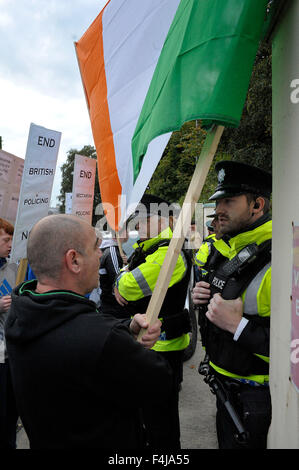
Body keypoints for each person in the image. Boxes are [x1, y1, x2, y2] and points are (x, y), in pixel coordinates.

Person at [5, 214, 173, 449]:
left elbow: (69, 341)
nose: (101, 254)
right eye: (96, 247)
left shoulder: (20, 314)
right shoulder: (101, 338)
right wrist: (122, 338)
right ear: (73, 260)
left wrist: (126, 328)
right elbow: (160, 381)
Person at [192, 160, 272, 449]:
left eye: (229, 201)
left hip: (258, 397)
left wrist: (238, 326)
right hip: (223, 387)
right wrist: (200, 297)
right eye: (218, 200)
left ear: (257, 205)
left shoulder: (284, 255)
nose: (219, 209)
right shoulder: (222, 249)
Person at [114, 194, 191, 449]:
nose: (139, 226)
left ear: (167, 220)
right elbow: (123, 277)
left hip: (162, 350)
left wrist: (121, 279)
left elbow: (126, 286)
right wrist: (121, 277)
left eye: (146, 219)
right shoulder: (149, 249)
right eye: (138, 220)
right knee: (146, 420)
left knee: (161, 427)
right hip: (148, 346)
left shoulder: (167, 253)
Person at [0, 218, 18, 449]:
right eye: (6, 239)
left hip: (10, 356)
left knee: (8, 417)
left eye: (12, 239)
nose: (11, 244)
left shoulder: (14, 268)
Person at [99, 227, 130, 318]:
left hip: (115, 304)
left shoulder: (115, 250)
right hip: (113, 305)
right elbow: (118, 279)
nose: (128, 234)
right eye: (126, 231)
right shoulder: (112, 251)